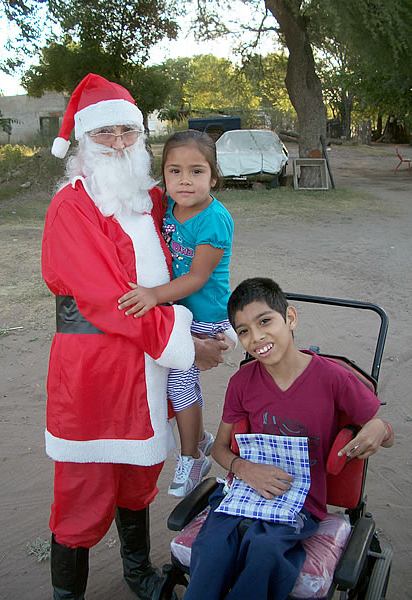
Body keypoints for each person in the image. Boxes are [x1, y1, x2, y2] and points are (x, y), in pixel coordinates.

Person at [42, 73, 228, 600]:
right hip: (96, 369)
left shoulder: (151, 199)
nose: (120, 144)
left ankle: (138, 570)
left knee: (139, 472)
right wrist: (187, 345)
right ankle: (67, 595)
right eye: (106, 134)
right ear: (83, 141)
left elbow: (198, 230)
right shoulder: (72, 208)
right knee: (83, 487)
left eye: (128, 132)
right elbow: (107, 299)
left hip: (147, 366)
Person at [184, 277, 394, 600]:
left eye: (265, 321)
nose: (256, 337)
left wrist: (379, 429)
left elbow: (384, 432)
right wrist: (244, 469)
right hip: (245, 488)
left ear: (291, 318)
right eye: (244, 331)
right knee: (211, 549)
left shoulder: (333, 379)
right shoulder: (242, 382)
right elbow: (221, 448)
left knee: (265, 552)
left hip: (300, 499)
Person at [118, 130, 236, 498]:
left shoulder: (213, 219)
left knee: (180, 384)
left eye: (197, 171)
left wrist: (153, 295)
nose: (185, 180)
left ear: (214, 178)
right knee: (173, 384)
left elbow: (198, 277)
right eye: (175, 171)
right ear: (164, 176)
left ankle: (193, 457)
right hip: (178, 311)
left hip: (202, 313)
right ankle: (197, 439)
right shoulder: (170, 207)